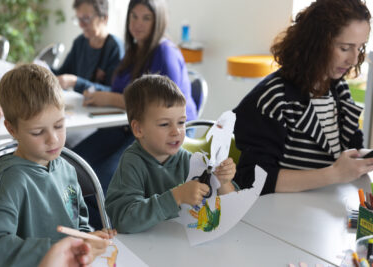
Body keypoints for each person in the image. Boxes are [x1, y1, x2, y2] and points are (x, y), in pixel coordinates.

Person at [73, 0, 197, 230]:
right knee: (74, 164)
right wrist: (95, 90)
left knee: (98, 177)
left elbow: (162, 107)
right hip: (128, 124)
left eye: (146, 18)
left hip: (154, 129)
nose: (138, 24)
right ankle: (83, 226)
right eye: (134, 17)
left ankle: (108, 228)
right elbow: (124, 92)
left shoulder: (164, 51)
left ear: (158, 21)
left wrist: (111, 98)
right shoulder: (133, 50)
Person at [0, 64, 110, 267]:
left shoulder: (67, 170)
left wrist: (87, 241)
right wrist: (60, 249)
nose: (53, 139)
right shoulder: (12, 181)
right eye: (38, 132)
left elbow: (78, 222)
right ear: (12, 129)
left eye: (59, 125)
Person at [233, 0, 373, 194]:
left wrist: (365, 159)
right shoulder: (273, 99)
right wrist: (334, 174)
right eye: (344, 48)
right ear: (316, 44)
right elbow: (252, 178)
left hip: (323, 212)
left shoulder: (339, 90)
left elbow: (352, 152)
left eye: (360, 48)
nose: (354, 59)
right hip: (279, 217)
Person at [105, 74, 236, 233]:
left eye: (181, 122)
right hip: (145, 251)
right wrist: (176, 197)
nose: (176, 131)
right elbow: (124, 221)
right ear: (139, 129)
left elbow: (232, 208)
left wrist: (223, 182)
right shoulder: (132, 163)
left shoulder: (189, 160)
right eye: (164, 124)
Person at [52, 0, 123, 93]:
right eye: (78, 19)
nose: (81, 25)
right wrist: (43, 70)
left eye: (86, 18)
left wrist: (75, 82)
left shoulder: (115, 48)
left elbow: (114, 92)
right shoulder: (79, 42)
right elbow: (62, 73)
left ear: (104, 18)